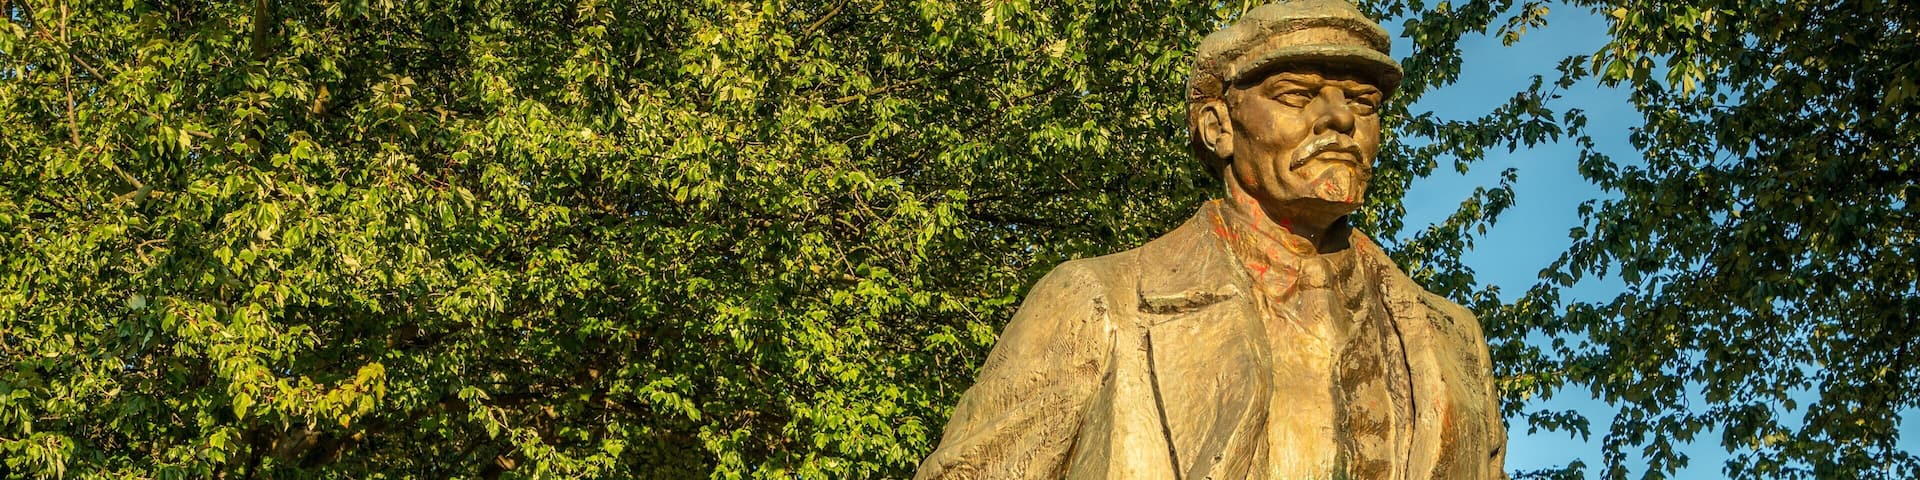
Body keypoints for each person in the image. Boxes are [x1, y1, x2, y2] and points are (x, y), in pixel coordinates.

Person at [915, 1, 1508, 478]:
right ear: (1218, 127)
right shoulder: (1099, 302)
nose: (1340, 120)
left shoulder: (1453, 340)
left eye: (1363, 101)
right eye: (1296, 94)